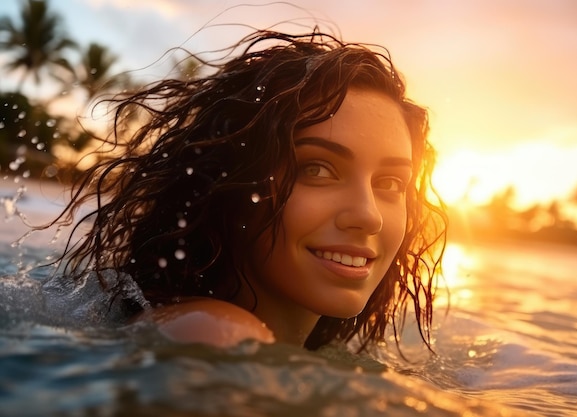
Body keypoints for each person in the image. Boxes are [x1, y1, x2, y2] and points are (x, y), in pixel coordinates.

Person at [48, 29, 447, 351]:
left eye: (390, 183)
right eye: (317, 169)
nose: (369, 215)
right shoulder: (216, 334)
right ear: (230, 182)